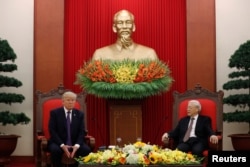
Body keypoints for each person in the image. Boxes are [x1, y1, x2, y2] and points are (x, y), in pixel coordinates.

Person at [92, 9, 158, 61]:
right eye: (120, 23)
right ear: (114, 28)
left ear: (133, 27)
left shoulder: (149, 54)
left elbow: (160, 78)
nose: (124, 26)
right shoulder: (100, 55)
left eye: (128, 22)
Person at [47, 91, 91, 167]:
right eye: (68, 100)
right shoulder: (55, 113)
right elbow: (52, 130)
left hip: (75, 142)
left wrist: (77, 145)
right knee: (55, 150)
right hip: (58, 142)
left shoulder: (79, 114)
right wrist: (62, 145)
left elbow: (81, 131)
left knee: (85, 150)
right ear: (63, 101)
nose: (71, 102)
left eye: (73, 100)